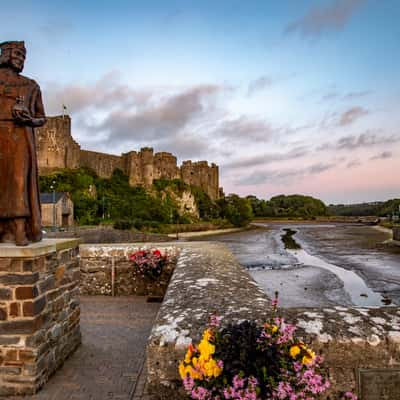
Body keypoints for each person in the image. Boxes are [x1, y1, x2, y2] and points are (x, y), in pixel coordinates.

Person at [0, 41, 47, 246]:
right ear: (6, 54)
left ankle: (20, 229)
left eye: (23, 56)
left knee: (19, 182)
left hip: (20, 137)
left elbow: (41, 118)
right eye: (18, 54)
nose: (21, 59)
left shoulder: (30, 85)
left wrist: (28, 119)